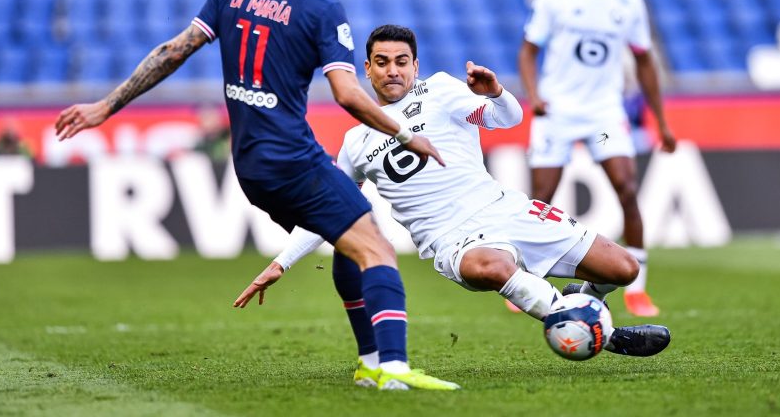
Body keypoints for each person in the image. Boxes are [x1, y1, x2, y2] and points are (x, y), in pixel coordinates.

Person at [54, 0, 458, 391]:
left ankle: (370, 363)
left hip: (249, 166)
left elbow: (172, 51)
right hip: (293, 160)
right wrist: (408, 135)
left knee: (352, 244)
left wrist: (106, 106)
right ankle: (392, 370)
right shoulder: (322, 8)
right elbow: (348, 95)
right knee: (378, 249)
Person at [234, 25, 671, 386]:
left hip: (505, 209)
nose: (392, 71)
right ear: (366, 69)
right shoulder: (355, 142)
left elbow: (508, 119)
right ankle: (596, 329)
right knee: (491, 270)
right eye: (381, 62)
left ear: (415, 66)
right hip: (453, 240)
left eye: (401, 61)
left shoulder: (441, 90)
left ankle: (587, 308)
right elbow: (330, 212)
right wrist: (282, 262)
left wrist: (496, 92)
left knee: (624, 269)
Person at [517, 0, 677, 317]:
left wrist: (661, 121)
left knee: (626, 186)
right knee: (541, 202)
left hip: (603, 114)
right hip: (556, 111)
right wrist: (534, 96)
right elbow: (527, 51)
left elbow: (644, 61)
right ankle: (522, 281)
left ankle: (637, 288)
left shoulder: (628, 2)